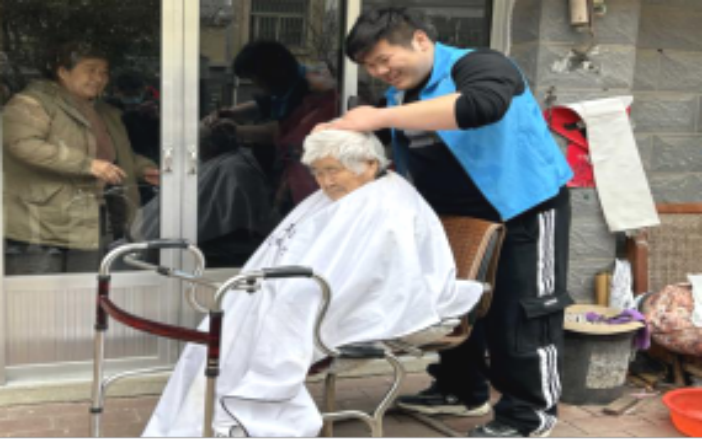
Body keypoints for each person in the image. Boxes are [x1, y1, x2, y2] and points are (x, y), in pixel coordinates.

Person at [317, 8, 574, 438]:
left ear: (420, 40)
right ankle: (461, 390)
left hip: (523, 207)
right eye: (369, 67)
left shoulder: (480, 65)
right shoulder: (401, 95)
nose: (379, 73)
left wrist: (377, 118)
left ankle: (528, 416)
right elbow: (385, 140)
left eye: (383, 60)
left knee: (521, 313)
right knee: (455, 304)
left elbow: (480, 107)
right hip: (453, 215)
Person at [143, 130, 485, 438]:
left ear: (369, 164)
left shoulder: (387, 206)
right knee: (227, 324)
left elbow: (374, 278)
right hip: (303, 288)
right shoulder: (355, 193)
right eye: (317, 172)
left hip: (364, 303)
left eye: (333, 170)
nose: (324, 182)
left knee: (261, 328)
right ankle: (209, 408)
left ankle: (242, 407)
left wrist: (290, 301)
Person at [2, 42, 159, 274]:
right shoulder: (31, 103)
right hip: (41, 226)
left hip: (93, 219)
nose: (99, 78)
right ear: (63, 72)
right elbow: (21, 144)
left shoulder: (105, 111)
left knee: (86, 290)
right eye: (90, 69)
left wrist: (144, 169)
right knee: (41, 292)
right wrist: (86, 164)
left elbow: (116, 155)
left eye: (104, 72)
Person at [205, 41, 339, 214]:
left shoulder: (312, 91)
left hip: (307, 173)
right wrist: (230, 112)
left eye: (255, 79)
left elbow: (287, 132)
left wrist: (238, 131)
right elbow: (264, 104)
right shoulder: (283, 86)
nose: (256, 85)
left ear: (271, 72)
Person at [132, 121, 280, 268]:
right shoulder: (214, 165)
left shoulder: (234, 170)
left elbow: (238, 223)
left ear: (207, 145)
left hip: (222, 248)